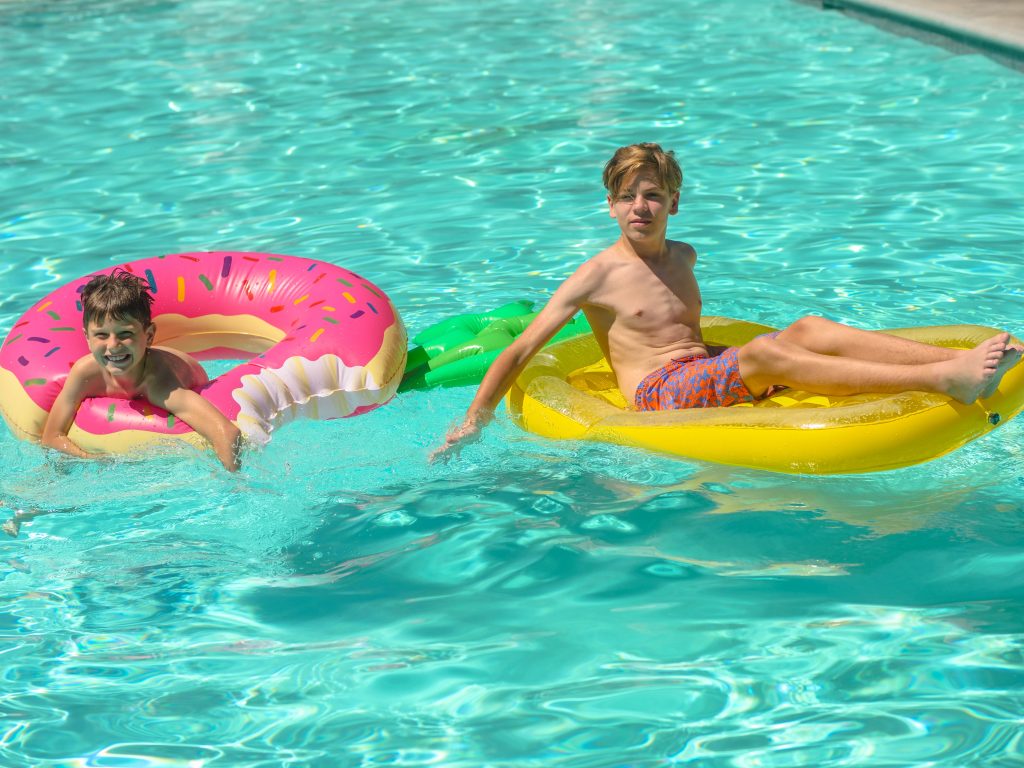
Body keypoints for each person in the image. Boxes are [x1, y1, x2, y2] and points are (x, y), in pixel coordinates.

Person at [431, 142, 1022, 462]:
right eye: (628, 197)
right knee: (763, 354)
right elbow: (523, 348)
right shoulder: (596, 276)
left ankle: (938, 359)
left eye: (654, 196)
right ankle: (949, 378)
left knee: (808, 326)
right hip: (657, 393)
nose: (641, 207)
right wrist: (473, 421)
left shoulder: (682, 255)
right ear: (610, 206)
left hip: (701, 365)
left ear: (674, 204)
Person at [41, 269, 242, 471]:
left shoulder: (161, 386)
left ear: (149, 335)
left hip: (183, 370)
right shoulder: (85, 374)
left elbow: (226, 432)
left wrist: (232, 488)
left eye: (125, 333)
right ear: (87, 337)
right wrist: (93, 460)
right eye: (101, 335)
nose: (113, 345)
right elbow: (52, 437)